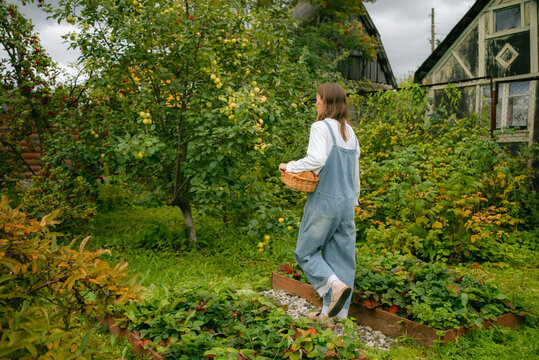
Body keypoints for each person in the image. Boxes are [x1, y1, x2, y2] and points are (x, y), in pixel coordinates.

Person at [279, 82, 360, 321]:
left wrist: (290, 166)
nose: (315, 102)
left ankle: (333, 285)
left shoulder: (321, 127)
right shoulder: (350, 132)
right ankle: (335, 317)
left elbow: (316, 159)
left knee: (305, 252)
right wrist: (353, 200)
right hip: (347, 204)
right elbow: (355, 172)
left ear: (326, 102)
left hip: (326, 201)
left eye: (317, 98)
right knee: (342, 257)